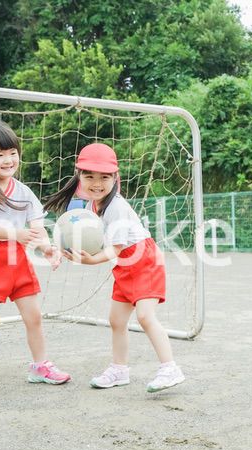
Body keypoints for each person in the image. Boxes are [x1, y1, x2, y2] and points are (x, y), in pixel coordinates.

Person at [45, 143, 185, 393]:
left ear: (115, 178)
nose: (96, 182)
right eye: (89, 176)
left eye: (104, 177)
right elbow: (83, 237)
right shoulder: (90, 206)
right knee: (116, 320)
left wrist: (89, 260)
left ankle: (170, 368)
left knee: (145, 316)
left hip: (144, 260)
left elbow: (116, 249)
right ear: (79, 177)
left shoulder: (117, 207)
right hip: (125, 266)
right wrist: (59, 251)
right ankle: (119, 370)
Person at [0, 120, 70, 396]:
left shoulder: (23, 191)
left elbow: (37, 229)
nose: (8, 160)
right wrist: (14, 233)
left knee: (34, 317)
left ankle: (40, 366)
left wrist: (47, 248)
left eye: (12, 153)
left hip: (17, 260)